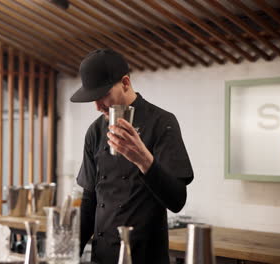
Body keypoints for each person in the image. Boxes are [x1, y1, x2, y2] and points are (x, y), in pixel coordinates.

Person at [70, 48, 194, 264]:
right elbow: (90, 201)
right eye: (93, 98)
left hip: (145, 257)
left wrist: (143, 160)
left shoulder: (162, 123)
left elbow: (177, 200)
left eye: (103, 96)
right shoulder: (95, 131)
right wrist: (68, 254)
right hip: (102, 257)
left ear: (125, 83)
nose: (97, 106)